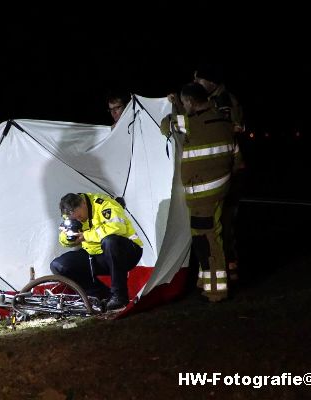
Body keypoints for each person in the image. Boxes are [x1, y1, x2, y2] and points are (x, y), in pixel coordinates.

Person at [160, 82, 236, 302]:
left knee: (207, 240)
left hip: (202, 193)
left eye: (185, 103)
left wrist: (174, 108)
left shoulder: (190, 123)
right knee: (211, 237)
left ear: (191, 102)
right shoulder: (223, 120)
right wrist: (178, 104)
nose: (184, 106)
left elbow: (167, 125)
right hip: (221, 189)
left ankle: (216, 292)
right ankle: (205, 282)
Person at [193, 63, 246, 282]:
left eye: (199, 80)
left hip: (227, 171)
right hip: (223, 170)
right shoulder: (216, 101)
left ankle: (228, 272)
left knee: (223, 224)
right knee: (219, 225)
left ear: (211, 82)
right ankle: (225, 270)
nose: (196, 84)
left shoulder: (223, 103)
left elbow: (228, 129)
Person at [50, 193, 143, 311]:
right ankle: (100, 297)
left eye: (79, 216)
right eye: (74, 219)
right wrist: (69, 237)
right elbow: (63, 241)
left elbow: (117, 228)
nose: (78, 220)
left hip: (127, 251)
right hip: (96, 255)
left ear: (83, 203)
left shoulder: (105, 204)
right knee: (58, 265)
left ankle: (119, 296)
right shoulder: (69, 215)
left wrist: (86, 236)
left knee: (110, 241)